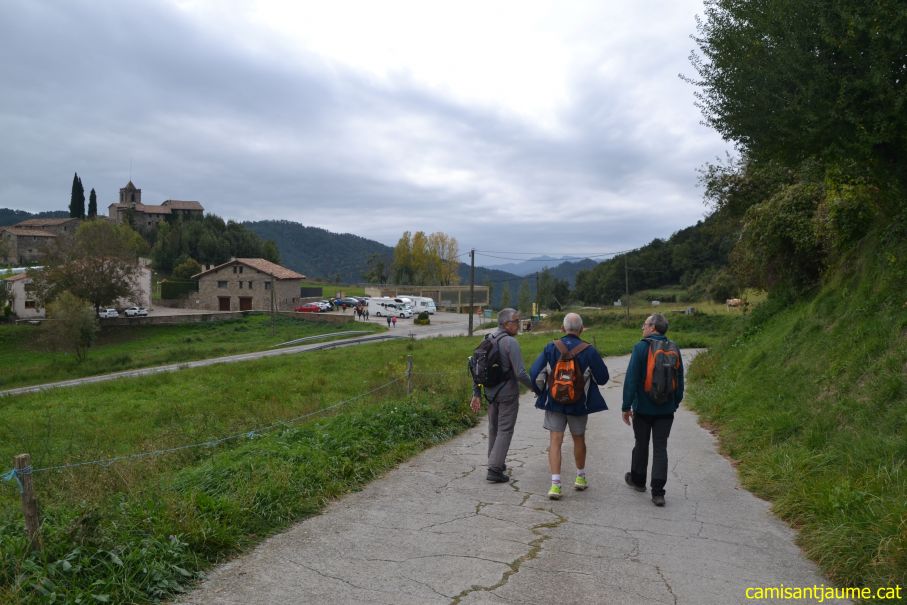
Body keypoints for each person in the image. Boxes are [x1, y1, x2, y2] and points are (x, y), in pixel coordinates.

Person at [530, 313, 609, 500]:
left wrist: (541, 391)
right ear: (581, 330)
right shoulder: (589, 350)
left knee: (555, 441)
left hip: (554, 403)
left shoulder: (551, 347)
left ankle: (555, 485)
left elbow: (535, 373)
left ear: (562, 328)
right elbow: (603, 378)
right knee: (578, 439)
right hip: (579, 404)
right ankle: (580, 478)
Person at [621, 313, 684, 507]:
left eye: (645, 324)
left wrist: (626, 406)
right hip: (666, 410)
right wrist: (674, 403)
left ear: (653, 328)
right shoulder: (674, 348)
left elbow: (631, 380)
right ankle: (658, 492)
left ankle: (638, 481)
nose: (643, 327)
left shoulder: (641, 347)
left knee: (641, 443)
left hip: (643, 409)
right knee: (660, 447)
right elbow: (680, 381)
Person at [470, 308, 534, 482]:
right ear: (506, 324)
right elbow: (520, 373)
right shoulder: (511, 343)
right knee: (505, 430)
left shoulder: (487, 339)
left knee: (494, 428)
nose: (519, 325)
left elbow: (476, 368)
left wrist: (476, 393)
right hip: (507, 394)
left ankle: (495, 460)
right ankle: (495, 469)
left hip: (490, 393)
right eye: (516, 322)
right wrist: (536, 388)